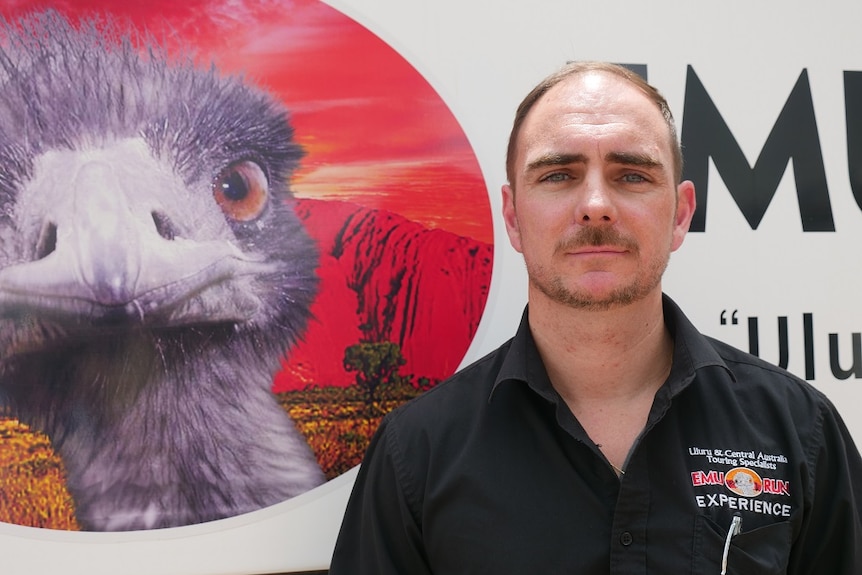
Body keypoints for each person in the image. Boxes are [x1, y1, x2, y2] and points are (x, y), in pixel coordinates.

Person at [328, 61, 862, 574]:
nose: (596, 205)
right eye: (559, 174)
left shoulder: (797, 430)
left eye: (632, 175)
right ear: (513, 218)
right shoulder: (416, 455)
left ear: (680, 215)